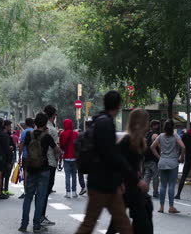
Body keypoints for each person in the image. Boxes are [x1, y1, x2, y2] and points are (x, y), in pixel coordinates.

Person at [75, 91, 134, 234]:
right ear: (118, 105)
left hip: (104, 182)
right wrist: (130, 174)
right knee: (91, 224)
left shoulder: (100, 120)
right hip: (103, 183)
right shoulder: (105, 123)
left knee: (123, 224)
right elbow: (110, 154)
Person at [106, 109, 153, 234]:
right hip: (127, 188)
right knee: (144, 223)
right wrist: (138, 181)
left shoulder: (139, 141)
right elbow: (121, 164)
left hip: (131, 189)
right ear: (141, 123)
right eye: (147, 121)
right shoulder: (127, 141)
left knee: (117, 223)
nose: (148, 124)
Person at [18, 113, 61, 233]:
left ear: (35, 123)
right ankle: (36, 225)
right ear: (45, 123)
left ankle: (23, 224)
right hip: (44, 169)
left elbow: (23, 147)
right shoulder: (46, 137)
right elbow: (57, 150)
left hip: (31, 169)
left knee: (28, 197)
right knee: (40, 197)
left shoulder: (28, 134)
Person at [151, 119, 185, 213]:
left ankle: (161, 207)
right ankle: (171, 207)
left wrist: (159, 157)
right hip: (173, 163)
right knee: (171, 185)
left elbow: (152, 147)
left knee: (163, 185)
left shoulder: (160, 136)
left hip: (162, 162)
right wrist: (181, 158)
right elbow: (183, 147)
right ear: (173, 127)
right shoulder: (175, 136)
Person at [40, 105, 60, 226]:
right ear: (54, 115)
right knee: (46, 191)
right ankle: (41, 216)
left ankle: (39, 215)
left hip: (38, 162)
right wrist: (60, 155)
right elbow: (56, 149)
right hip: (50, 162)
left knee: (40, 191)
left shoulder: (39, 127)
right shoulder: (51, 129)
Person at [175, 120, 191, 200]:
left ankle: (178, 194)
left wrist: (180, 156)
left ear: (190, 126)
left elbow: (181, 147)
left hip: (188, 158)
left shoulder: (185, 135)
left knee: (184, 176)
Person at [60, 119, 79, 198]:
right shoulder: (75, 133)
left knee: (67, 175)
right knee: (74, 175)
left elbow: (61, 145)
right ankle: (74, 192)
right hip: (74, 157)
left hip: (66, 156)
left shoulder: (62, 133)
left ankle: (68, 192)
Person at [18, 118, 35, 199]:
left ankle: (26, 192)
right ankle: (34, 191)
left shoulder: (24, 132)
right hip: (35, 156)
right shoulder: (35, 131)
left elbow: (21, 145)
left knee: (26, 174)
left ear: (25, 124)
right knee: (35, 174)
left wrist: (19, 156)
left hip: (26, 155)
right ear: (33, 124)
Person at [143, 120, 161, 198]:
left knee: (147, 175)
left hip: (146, 158)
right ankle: (155, 192)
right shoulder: (155, 135)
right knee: (155, 176)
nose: (158, 127)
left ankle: (144, 192)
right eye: (157, 125)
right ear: (154, 125)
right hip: (153, 158)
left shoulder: (146, 134)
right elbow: (159, 146)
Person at [2, 120, 16, 196]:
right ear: (6, 126)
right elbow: (5, 147)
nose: (11, 127)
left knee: (7, 175)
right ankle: (2, 190)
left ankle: (6, 189)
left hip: (9, 157)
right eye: (10, 126)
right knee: (4, 174)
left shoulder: (8, 134)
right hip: (6, 158)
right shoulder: (4, 135)